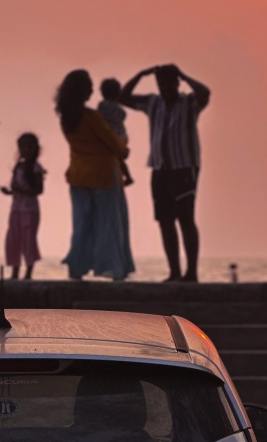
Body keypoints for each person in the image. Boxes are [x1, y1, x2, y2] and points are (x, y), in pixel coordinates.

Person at [120, 63, 210, 282]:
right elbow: (123, 97)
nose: (166, 87)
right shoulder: (153, 103)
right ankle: (174, 272)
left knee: (186, 219)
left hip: (184, 167)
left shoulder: (189, 103)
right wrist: (141, 74)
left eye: (170, 83)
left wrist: (184, 74)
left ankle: (191, 272)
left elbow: (205, 93)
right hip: (160, 168)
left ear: (177, 83)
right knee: (165, 221)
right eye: (162, 83)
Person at [55, 69, 135, 281]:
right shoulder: (92, 118)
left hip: (78, 175)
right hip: (103, 175)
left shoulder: (66, 119)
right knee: (110, 223)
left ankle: (77, 267)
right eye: (89, 87)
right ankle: (114, 268)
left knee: (82, 224)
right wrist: (124, 147)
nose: (92, 90)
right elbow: (114, 143)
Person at [0, 133, 45, 280]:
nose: (26, 150)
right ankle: (15, 272)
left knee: (28, 240)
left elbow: (39, 190)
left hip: (30, 210)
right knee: (13, 240)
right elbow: (15, 188)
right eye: (23, 147)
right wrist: (9, 191)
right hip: (16, 209)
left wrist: (22, 191)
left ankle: (28, 273)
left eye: (29, 147)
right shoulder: (18, 167)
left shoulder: (36, 168)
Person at [97, 78, 134, 186]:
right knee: (119, 159)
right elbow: (123, 116)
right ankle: (127, 176)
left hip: (112, 135)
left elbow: (98, 118)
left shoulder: (103, 105)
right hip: (122, 136)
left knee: (115, 159)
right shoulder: (119, 108)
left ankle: (125, 177)